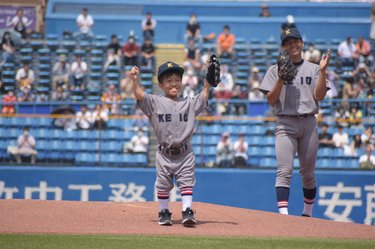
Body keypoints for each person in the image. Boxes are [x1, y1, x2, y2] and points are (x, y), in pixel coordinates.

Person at [129, 60, 211, 226]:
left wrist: (207, 81)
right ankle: (164, 211)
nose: (174, 83)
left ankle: (187, 210)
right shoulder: (154, 102)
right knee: (163, 184)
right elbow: (139, 95)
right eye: (169, 80)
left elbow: (203, 96)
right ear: (160, 84)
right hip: (164, 154)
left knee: (187, 182)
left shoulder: (188, 103)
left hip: (185, 153)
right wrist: (135, 80)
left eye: (177, 79)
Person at [259, 27, 331, 217]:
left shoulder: (314, 68)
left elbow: (320, 96)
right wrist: (281, 79)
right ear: (283, 47)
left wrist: (323, 72)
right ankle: (284, 215)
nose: (293, 45)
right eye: (288, 43)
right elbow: (271, 99)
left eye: (295, 41)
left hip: (308, 123)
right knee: (284, 170)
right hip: (285, 123)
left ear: (302, 43)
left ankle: (307, 213)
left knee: (308, 173)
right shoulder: (274, 70)